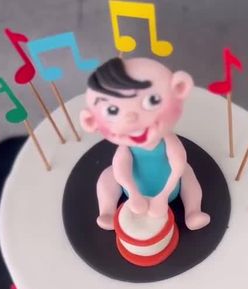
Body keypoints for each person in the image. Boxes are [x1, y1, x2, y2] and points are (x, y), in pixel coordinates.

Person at [80, 57, 210, 231]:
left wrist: (163, 196)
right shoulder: (126, 147)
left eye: (152, 100)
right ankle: (107, 212)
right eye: (113, 110)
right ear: (90, 121)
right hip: (131, 193)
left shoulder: (168, 140)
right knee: (110, 174)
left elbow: (178, 164)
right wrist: (133, 193)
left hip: (171, 190)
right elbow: (121, 168)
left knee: (185, 171)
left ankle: (193, 212)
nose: (131, 118)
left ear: (180, 88)